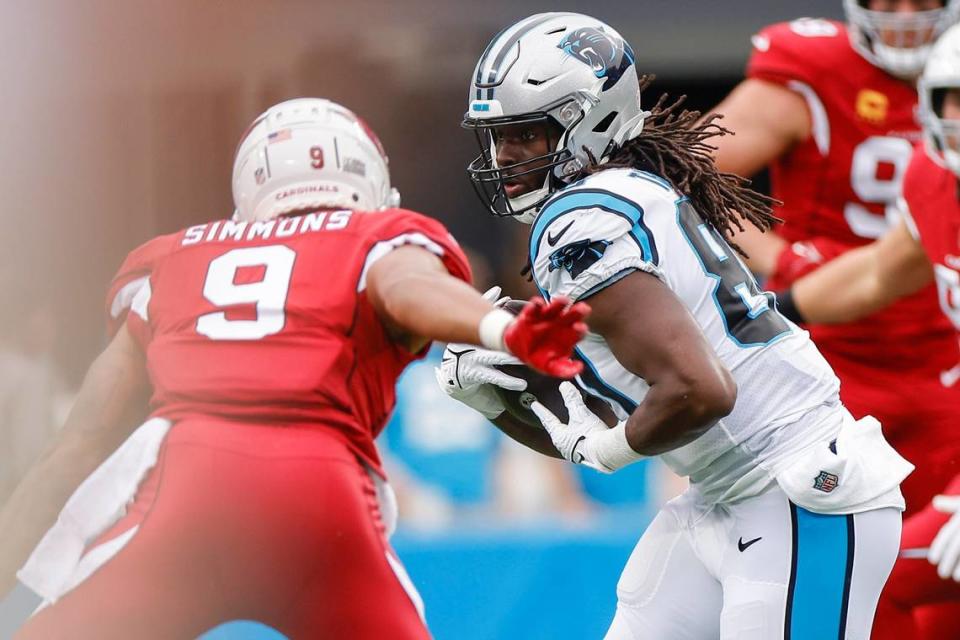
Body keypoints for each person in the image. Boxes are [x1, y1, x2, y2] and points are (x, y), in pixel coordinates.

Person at [0, 98, 589, 639]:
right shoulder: (374, 235)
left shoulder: (176, 257)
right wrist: (498, 327)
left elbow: (76, 447)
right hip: (317, 489)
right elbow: (406, 283)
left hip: (187, 489)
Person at [439, 12, 912, 639]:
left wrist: (607, 450)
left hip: (796, 490)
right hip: (726, 490)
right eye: (498, 138)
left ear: (590, 119)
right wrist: (498, 398)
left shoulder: (583, 222)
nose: (507, 158)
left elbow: (698, 392)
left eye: (526, 135)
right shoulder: (625, 195)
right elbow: (598, 424)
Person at [775, 25, 960, 637]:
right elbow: (878, 274)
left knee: (893, 571)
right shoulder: (935, 182)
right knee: (925, 598)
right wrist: (768, 311)